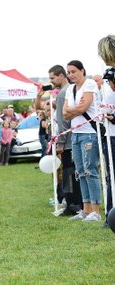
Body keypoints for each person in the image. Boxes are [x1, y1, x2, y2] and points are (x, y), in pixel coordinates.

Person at [35, 65, 82, 216]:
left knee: (68, 173)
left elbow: (63, 121)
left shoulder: (63, 94)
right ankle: (76, 203)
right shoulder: (69, 91)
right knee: (72, 173)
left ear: (61, 76)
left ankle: (72, 204)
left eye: (52, 78)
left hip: (67, 142)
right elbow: (42, 109)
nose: (51, 81)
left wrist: (61, 142)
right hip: (72, 138)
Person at [63, 60, 102, 222]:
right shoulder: (70, 89)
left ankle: (96, 210)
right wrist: (75, 109)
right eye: (69, 72)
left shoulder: (90, 84)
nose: (71, 75)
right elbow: (65, 113)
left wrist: (75, 109)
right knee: (80, 172)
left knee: (90, 170)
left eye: (73, 71)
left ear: (82, 70)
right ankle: (85, 209)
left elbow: (82, 108)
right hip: (76, 133)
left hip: (90, 133)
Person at [101, 67, 115, 227]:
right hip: (110, 136)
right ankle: (110, 214)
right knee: (111, 176)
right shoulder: (108, 93)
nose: (110, 85)